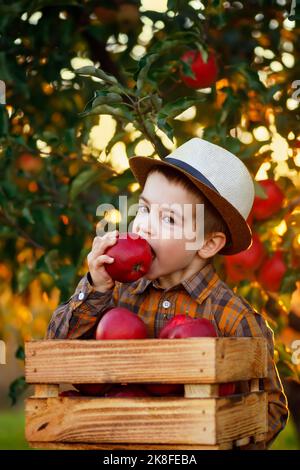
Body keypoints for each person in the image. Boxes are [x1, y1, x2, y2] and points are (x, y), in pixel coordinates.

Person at [46, 137, 289, 449]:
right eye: (144, 209)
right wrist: (95, 287)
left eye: (169, 219)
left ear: (208, 244)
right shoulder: (114, 294)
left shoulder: (233, 316)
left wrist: (220, 433)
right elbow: (54, 354)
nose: (145, 226)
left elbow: (272, 410)